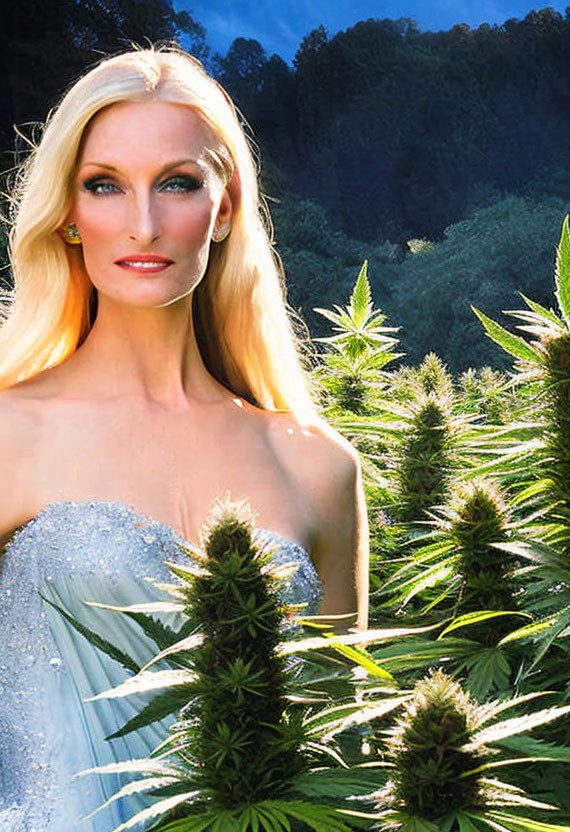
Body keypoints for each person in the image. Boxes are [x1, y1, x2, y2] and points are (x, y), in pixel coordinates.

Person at [0, 46, 368, 830]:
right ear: (68, 211)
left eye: (177, 183)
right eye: (105, 185)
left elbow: (343, 765)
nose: (143, 224)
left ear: (226, 206)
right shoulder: (9, 433)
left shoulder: (317, 465)